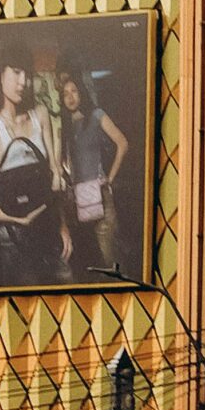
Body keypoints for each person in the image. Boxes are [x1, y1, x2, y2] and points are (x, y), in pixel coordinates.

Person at [0, 58, 68, 282]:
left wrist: (64, 227)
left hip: (49, 231)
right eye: (16, 72)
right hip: (13, 240)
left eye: (26, 75)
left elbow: (53, 180)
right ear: (1, 75)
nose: (23, 82)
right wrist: (18, 220)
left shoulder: (40, 116)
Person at [57, 64, 129, 276]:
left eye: (74, 91)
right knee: (89, 261)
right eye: (65, 94)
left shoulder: (97, 115)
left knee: (110, 258)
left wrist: (110, 177)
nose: (70, 97)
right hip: (78, 203)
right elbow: (62, 163)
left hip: (101, 196)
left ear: (82, 92)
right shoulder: (65, 127)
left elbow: (122, 143)